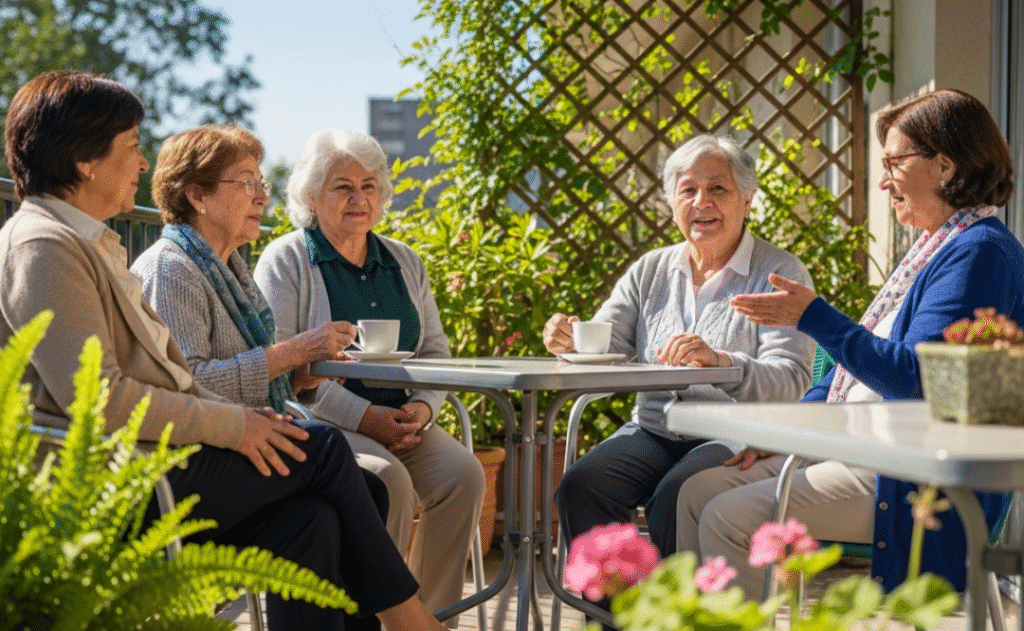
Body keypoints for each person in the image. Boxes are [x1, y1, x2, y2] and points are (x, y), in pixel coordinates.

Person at [0, 70, 445, 631]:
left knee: (314, 518)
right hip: (125, 479)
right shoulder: (44, 246)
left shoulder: (88, 244)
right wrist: (236, 426)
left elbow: (170, 378)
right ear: (86, 160)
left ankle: (403, 617)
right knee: (328, 449)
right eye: (131, 147)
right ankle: (408, 618)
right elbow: (100, 397)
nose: (141, 164)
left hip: (159, 457)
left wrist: (252, 409)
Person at [678, 88, 1024, 599]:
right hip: (864, 450)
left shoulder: (980, 254)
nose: (883, 180)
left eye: (894, 162)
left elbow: (915, 377)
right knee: (694, 492)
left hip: (908, 475)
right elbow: (851, 379)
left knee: (730, 516)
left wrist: (814, 317)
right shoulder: (937, 247)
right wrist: (790, 430)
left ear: (946, 166)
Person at [543, 134, 816, 619]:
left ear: (748, 199)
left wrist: (722, 364)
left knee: (676, 494)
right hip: (654, 428)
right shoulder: (651, 270)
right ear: (672, 203)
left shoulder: (777, 272)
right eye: (688, 190)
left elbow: (792, 379)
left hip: (732, 435)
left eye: (718, 189)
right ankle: (618, 622)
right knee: (582, 487)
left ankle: (681, 621)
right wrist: (571, 345)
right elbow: (607, 355)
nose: (701, 203)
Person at [253, 128, 485, 622]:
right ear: (313, 196)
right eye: (342, 186)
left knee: (464, 475)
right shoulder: (287, 259)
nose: (358, 198)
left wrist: (422, 409)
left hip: (404, 417)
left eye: (369, 185)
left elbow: (436, 351)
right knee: (388, 482)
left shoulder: (403, 259)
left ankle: (430, 617)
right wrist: (364, 417)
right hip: (325, 422)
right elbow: (283, 369)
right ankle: (377, 617)